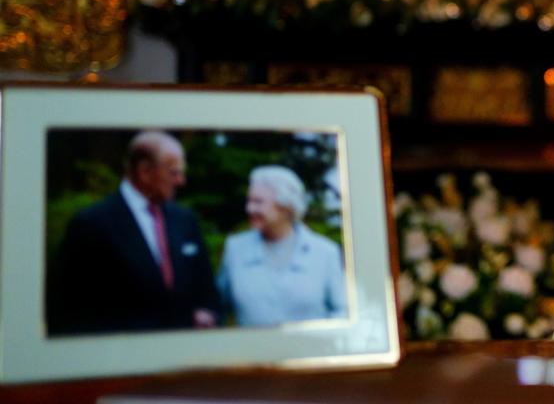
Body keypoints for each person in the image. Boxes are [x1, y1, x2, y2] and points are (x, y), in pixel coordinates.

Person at [48, 131, 219, 334]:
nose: (181, 181)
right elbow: (68, 309)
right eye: (174, 172)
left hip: (184, 355)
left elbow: (207, 290)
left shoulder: (185, 220)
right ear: (144, 171)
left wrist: (207, 313)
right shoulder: (91, 224)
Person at [218, 165, 347, 326]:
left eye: (258, 202)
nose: (249, 208)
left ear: (285, 207)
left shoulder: (325, 252)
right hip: (250, 351)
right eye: (249, 201)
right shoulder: (235, 248)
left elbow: (342, 311)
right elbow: (217, 308)